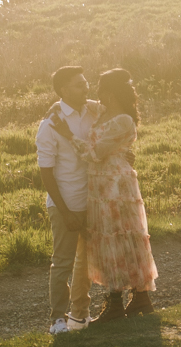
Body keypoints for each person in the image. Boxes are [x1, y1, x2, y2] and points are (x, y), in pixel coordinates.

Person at [50, 65, 157, 323]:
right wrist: (56, 105)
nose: (95, 94)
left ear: (110, 93)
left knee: (119, 239)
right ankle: (133, 299)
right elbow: (74, 101)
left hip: (115, 187)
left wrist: (66, 134)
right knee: (112, 240)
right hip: (101, 186)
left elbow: (94, 154)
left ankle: (121, 300)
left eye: (100, 89)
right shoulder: (104, 111)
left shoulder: (122, 120)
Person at [36, 65, 99, 334]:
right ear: (64, 90)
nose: (85, 87)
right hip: (66, 202)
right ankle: (57, 319)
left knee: (87, 261)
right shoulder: (50, 124)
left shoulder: (93, 111)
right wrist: (64, 211)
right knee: (62, 261)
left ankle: (80, 315)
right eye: (78, 84)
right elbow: (46, 173)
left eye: (86, 82)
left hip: (93, 199)